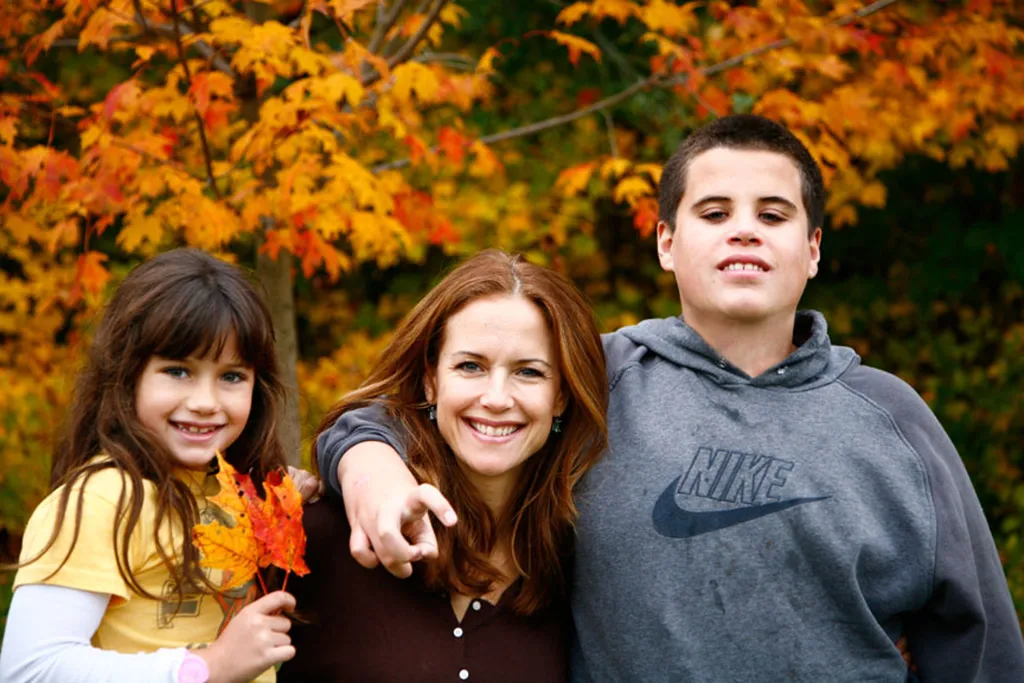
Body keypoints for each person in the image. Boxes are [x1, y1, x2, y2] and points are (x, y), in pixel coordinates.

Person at [314, 115, 1024, 681]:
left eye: (773, 215)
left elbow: (980, 638)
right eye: (714, 211)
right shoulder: (598, 378)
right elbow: (418, 413)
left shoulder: (892, 421)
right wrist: (370, 468)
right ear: (665, 242)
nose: (744, 228)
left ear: (812, 249)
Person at [278, 250, 608, 682]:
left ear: (561, 395)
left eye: (528, 372)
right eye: (470, 366)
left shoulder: (578, 563)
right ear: (432, 380)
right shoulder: (325, 531)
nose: (496, 397)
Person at [0, 249, 298, 683]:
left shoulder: (236, 489)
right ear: (127, 375)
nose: (204, 403)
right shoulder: (105, 498)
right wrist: (205, 668)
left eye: (232, 376)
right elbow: (30, 669)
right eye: (178, 371)